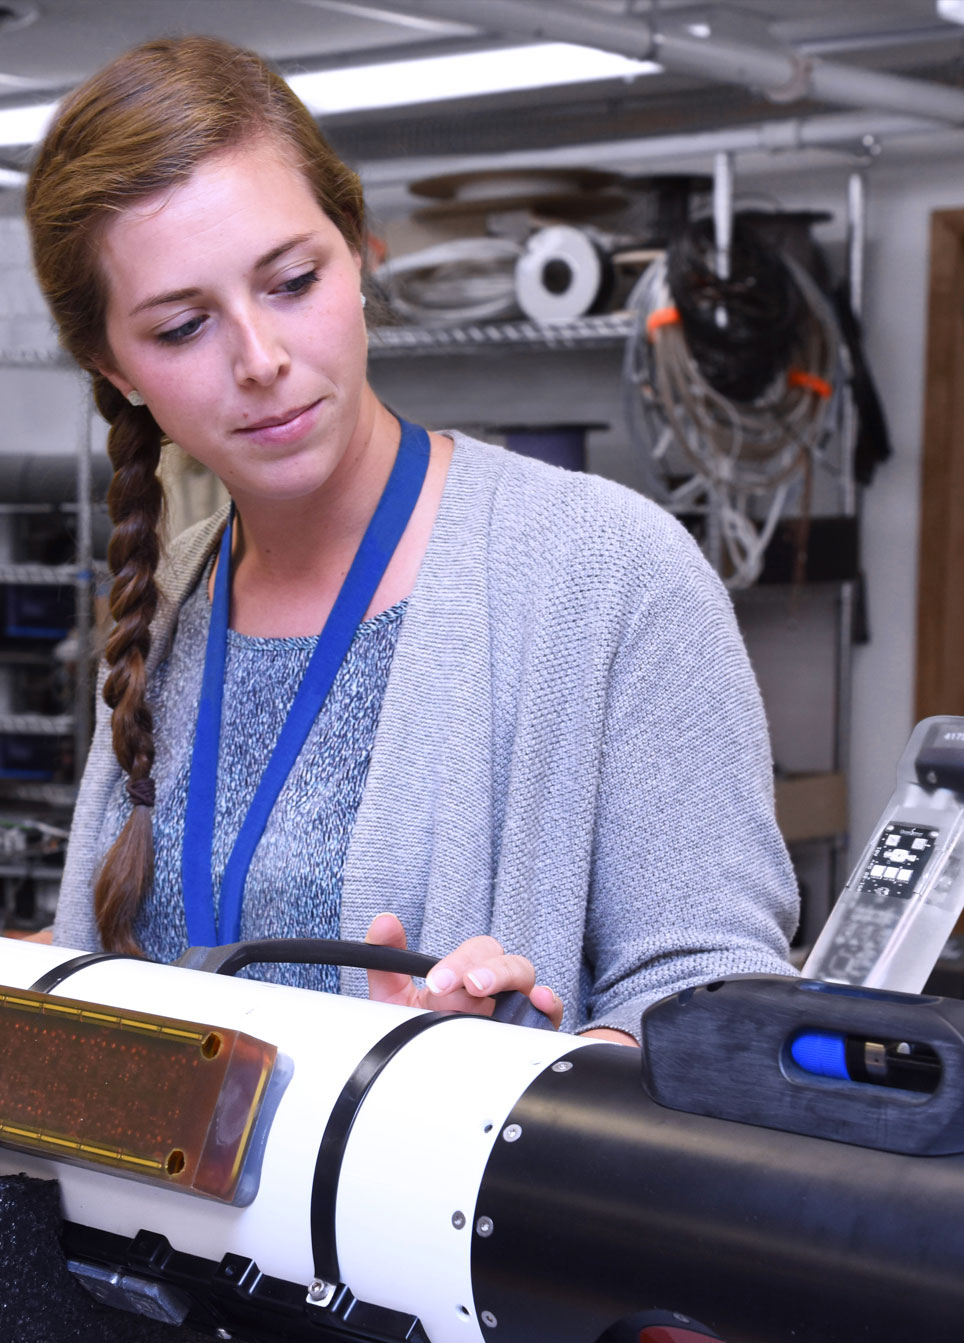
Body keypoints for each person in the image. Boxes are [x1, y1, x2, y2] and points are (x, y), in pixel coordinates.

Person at [24, 34, 799, 1047]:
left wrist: (499, 1077)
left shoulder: (607, 574)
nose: (261, 360)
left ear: (360, 252)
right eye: (182, 328)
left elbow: (715, 998)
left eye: (292, 280)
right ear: (115, 368)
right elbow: (131, 954)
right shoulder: (167, 605)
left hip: (453, 1209)